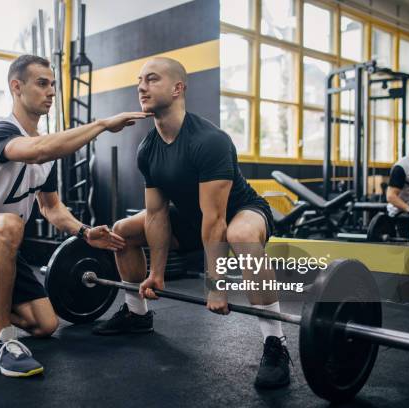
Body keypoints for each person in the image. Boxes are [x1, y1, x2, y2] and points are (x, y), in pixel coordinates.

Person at [0, 54, 151, 377]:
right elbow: (36, 151)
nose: (50, 92)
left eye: (53, 85)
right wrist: (103, 124)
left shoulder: (45, 151)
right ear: (16, 87)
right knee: (9, 225)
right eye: (42, 84)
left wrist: (84, 232)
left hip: (1, 244)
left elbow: (51, 208)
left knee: (45, 324)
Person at [92, 57, 290, 389]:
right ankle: (137, 315)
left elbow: (216, 221)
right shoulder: (148, 149)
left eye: (152, 79)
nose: (141, 86)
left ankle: (275, 342)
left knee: (240, 234)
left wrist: (216, 285)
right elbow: (156, 215)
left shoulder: (209, 139)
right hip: (190, 218)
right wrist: (157, 272)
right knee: (123, 231)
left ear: (178, 88)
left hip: (241, 211)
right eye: (139, 80)